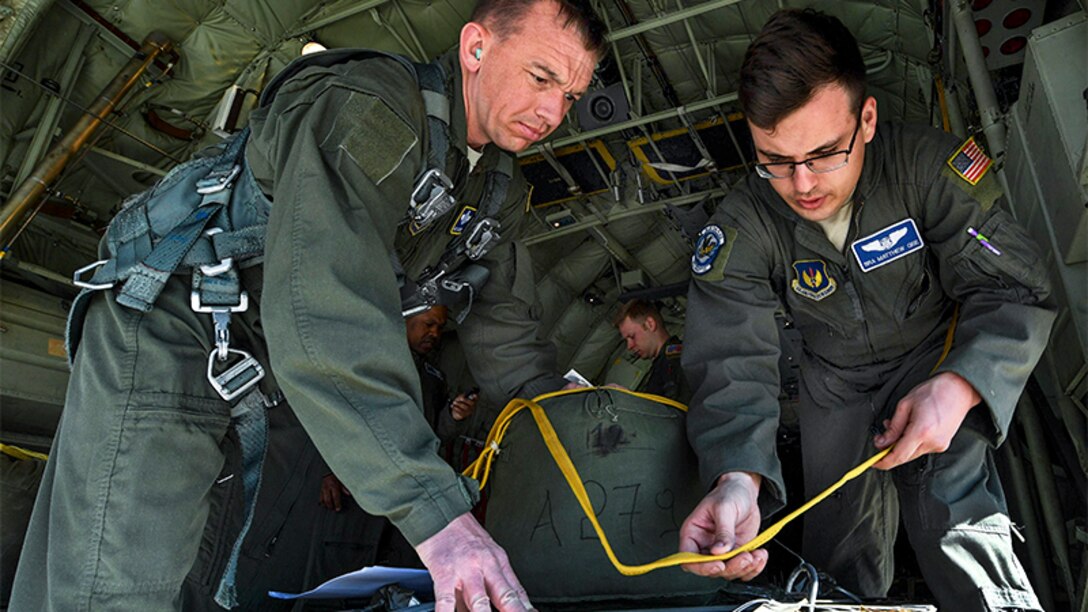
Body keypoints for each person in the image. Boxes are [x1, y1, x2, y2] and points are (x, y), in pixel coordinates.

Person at [11, 0, 604, 609]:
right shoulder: (371, 107)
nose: (553, 112)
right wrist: (438, 517)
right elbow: (329, 308)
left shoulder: (496, 187)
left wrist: (597, 449)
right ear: (476, 47)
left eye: (571, 96)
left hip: (259, 372)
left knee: (202, 584)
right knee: (118, 586)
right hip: (176, 329)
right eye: (541, 78)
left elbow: (511, 343)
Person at [678, 9, 1054, 611]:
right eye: (775, 160)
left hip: (934, 360)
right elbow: (731, 359)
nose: (801, 184)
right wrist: (737, 479)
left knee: (956, 518)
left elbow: (1014, 284)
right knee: (838, 549)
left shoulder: (927, 169)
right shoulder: (743, 226)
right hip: (834, 387)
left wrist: (959, 386)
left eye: (825, 153)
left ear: (867, 119)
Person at [614, 299, 691, 402]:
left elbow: (676, 411)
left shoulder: (675, 361)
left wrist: (631, 402)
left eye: (632, 337)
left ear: (650, 324)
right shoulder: (662, 363)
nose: (629, 346)